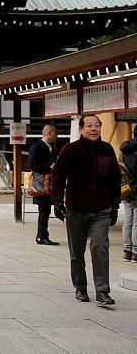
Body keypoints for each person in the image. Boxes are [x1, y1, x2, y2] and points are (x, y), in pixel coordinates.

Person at [52, 114, 121, 306]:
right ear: (81, 129)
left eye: (97, 125)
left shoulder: (107, 150)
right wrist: (57, 200)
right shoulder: (70, 150)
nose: (94, 129)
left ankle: (102, 291)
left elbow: (115, 178)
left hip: (101, 209)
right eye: (89, 126)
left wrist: (114, 205)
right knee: (77, 251)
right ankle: (81, 287)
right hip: (76, 208)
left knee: (100, 247)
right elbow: (58, 175)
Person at [29, 124, 59, 245]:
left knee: (46, 210)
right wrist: (49, 168)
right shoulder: (36, 147)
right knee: (43, 210)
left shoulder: (52, 147)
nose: (57, 136)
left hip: (50, 182)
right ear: (49, 133)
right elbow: (32, 165)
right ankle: (41, 236)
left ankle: (43, 235)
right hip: (41, 182)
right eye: (55, 133)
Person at [121, 124, 137, 262]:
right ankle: (136, 253)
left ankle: (127, 251)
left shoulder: (125, 149)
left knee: (128, 220)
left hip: (126, 189)